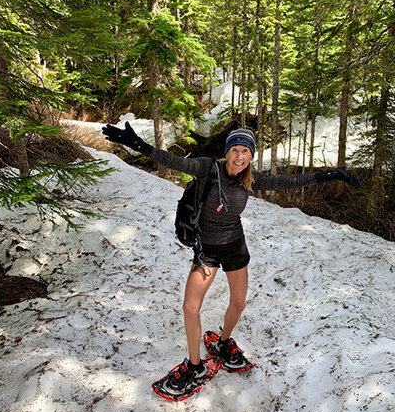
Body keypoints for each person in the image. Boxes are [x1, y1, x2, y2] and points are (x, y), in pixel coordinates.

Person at [102, 122, 360, 395]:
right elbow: (172, 161)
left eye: (245, 152)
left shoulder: (252, 179)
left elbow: (291, 181)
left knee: (238, 304)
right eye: (235, 150)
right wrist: (140, 145)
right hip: (207, 250)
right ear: (227, 152)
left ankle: (224, 341)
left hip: (234, 246)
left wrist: (330, 175)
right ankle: (194, 365)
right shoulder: (206, 168)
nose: (239, 157)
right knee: (190, 307)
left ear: (251, 156)